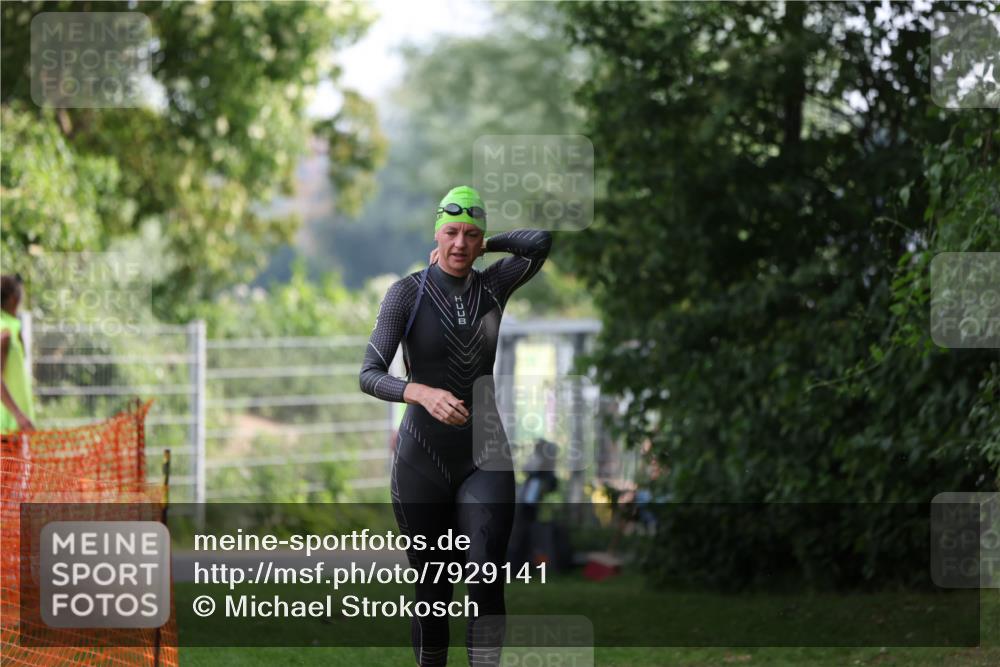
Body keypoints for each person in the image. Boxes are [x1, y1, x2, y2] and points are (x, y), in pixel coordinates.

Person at [359, 185, 552, 667]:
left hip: (484, 454)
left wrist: (493, 242)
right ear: (436, 234)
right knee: (432, 587)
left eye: (471, 235)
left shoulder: (493, 285)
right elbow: (369, 373)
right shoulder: (406, 293)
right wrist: (418, 391)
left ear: (480, 240)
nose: (461, 243)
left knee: (486, 579)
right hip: (422, 457)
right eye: (451, 232)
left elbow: (540, 241)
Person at [1, 274, 36, 435]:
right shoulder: (4, 332)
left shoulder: (12, 328)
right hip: (7, 426)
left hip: (14, 427)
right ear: (15, 299)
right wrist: (18, 414)